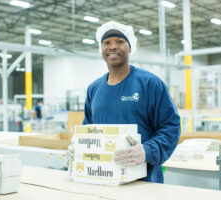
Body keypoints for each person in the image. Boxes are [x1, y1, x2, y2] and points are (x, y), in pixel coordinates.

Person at [66, 21, 181, 183]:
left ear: (130, 47)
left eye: (119, 42)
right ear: (101, 49)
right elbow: (88, 128)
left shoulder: (150, 84)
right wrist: (78, 148)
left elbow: (171, 126)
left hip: (142, 179)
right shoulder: (94, 89)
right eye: (107, 43)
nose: (112, 46)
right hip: (101, 178)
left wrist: (147, 151)